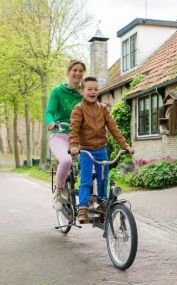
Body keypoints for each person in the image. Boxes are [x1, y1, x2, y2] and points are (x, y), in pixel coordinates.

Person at [69, 76, 134, 223]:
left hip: (101, 150)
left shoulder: (103, 108)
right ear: (82, 91)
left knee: (103, 178)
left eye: (95, 89)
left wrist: (125, 145)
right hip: (86, 151)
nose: (93, 92)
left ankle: (103, 203)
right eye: (89, 89)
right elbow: (73, 130)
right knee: (86, 180)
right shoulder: (78, 109)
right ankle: (83, 208)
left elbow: (113, 128)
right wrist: (74, 146)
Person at [45, 59, 86, 209]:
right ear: (68, 72)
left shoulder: (83, 94)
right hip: (60, 135)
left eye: (81, 70)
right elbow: (49, 112)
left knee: (91, 164)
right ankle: (59, 191)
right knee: (66, 161)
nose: (77, 73)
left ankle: (92, 198)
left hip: (78, 137)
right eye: (74, 70)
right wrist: (51, 122)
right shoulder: (57, 92)